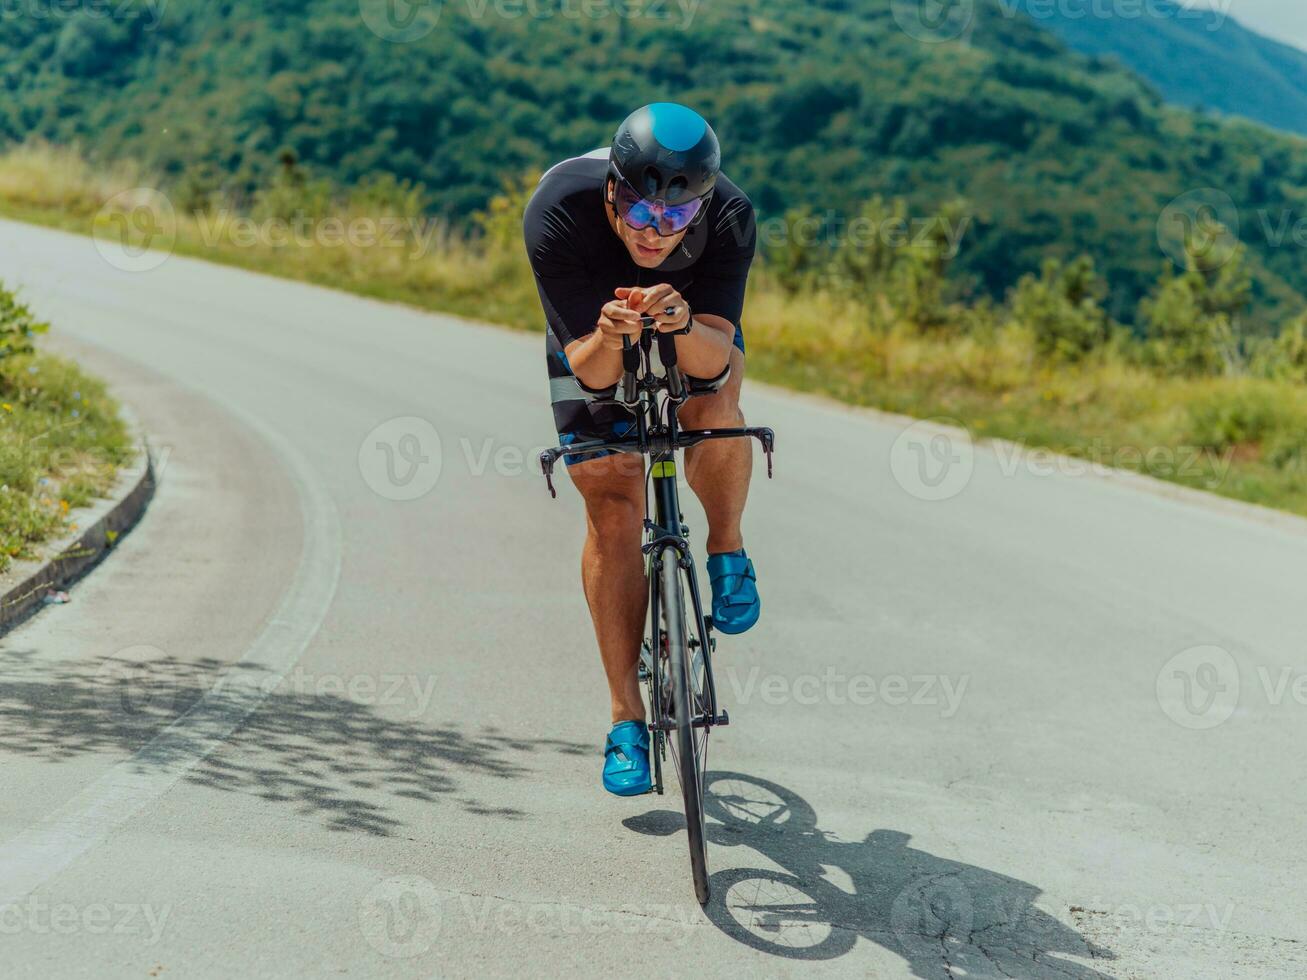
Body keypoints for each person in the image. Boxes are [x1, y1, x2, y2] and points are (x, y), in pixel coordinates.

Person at [523, 103, 759, 796]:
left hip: (691, 328)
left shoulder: (731, 217)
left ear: (702, 206)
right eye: (639, 213)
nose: (655, 233)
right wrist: (610, 334)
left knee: (716, 407)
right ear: (611, 191)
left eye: (676, 219)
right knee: (611, 497)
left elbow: (713, 363)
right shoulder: (558, 205)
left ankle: (726, 547)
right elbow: (590, 372)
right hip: (595, 335)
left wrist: (682, 323)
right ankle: (625, 719)